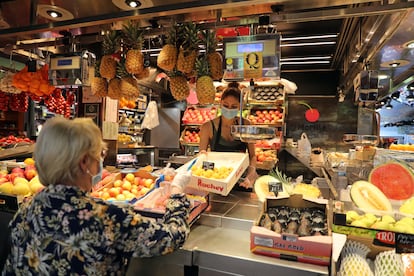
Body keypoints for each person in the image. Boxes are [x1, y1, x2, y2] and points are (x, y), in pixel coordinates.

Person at [2, 117, 192, 275]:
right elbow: (172, 236)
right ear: (85, 161)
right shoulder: (105, 218)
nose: (100, 161)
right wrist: (176, 193)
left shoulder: (25, 211)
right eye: (99, 154)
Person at [199, 82, 258, 189]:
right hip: (217, 181)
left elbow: (252, 155)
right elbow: (201, 157)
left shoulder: (246, 125)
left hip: (241, 181)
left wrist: (251, 174)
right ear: (220, 103)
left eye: (234, 106)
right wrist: (202, 158)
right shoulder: (208, 127)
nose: (229, 109)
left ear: (240, 107)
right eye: (226, 105)